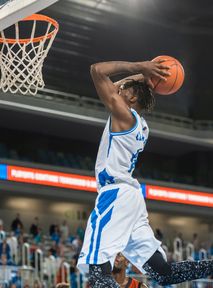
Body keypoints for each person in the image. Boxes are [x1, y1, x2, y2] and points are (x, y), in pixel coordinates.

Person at [77, 59, 213, 287]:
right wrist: (146, 78)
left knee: (98, 271)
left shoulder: (124, 116)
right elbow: (114, 85)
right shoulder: (140, 124)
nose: (118, 89)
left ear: (130, 98)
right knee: (163, 272)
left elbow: (97, 71)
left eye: (123, 90)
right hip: (131, 199)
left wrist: (140, 67)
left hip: (116, 194)